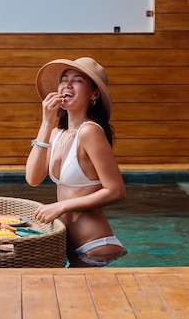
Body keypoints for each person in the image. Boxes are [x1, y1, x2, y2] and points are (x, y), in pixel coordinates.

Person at [25, 57, 127, 267]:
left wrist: (61, 206)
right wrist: (46, 123)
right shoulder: (56, 133)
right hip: (71, 248)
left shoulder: (90, 132)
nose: (67, 85)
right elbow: (33, 178)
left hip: (96, 247)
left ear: (94, 93)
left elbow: (116, 191)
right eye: (64, 80)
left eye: (77, 80)